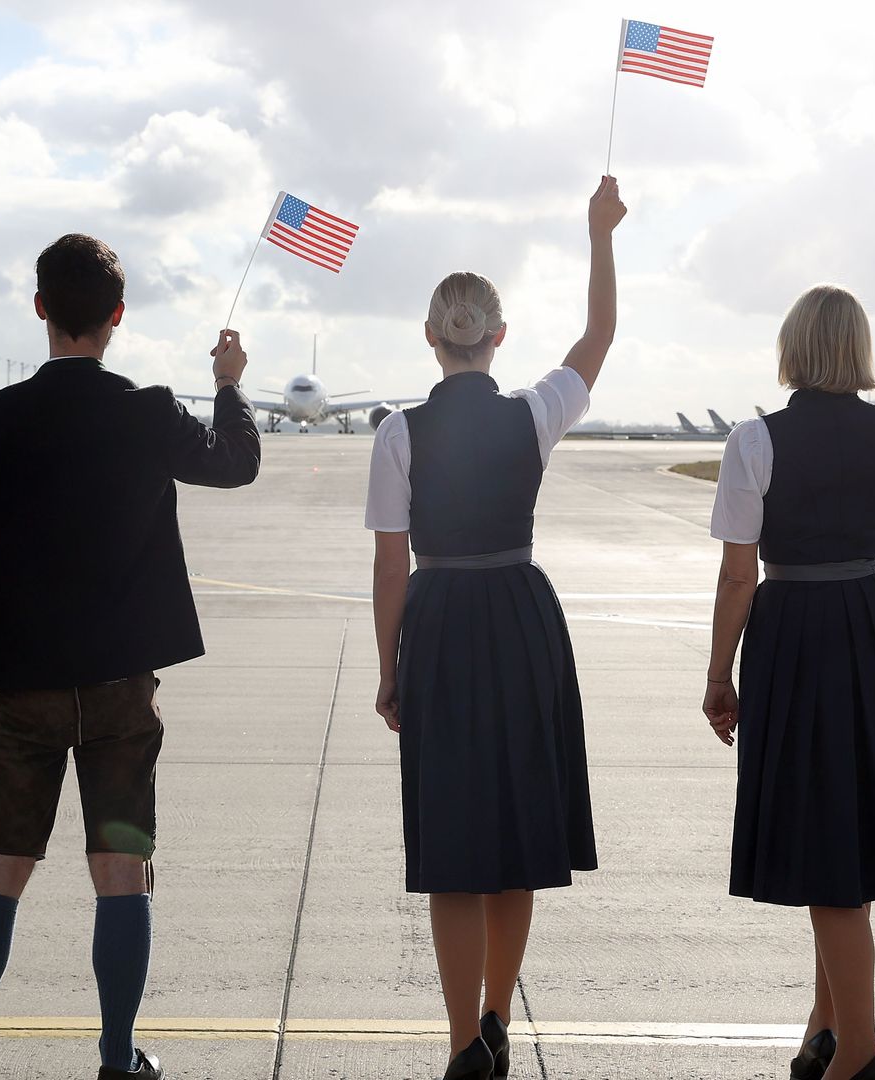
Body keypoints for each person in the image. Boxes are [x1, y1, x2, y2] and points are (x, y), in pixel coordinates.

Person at [0, 233, 262, 1080]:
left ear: (41, 308)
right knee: (122, 870)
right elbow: (235, 465)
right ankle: (117, 1058)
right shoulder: (148, 410)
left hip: (26, 686)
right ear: (117, 316)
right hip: (120, 687)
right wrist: (229, 385)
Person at [366, 176, 625, 1080]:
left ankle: (462, 1042)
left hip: (439, 620)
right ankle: (497, 1014)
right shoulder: (533, 413)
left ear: (432, 337)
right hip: (520, 619)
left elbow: (390, 565)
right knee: (515, 836)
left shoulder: (399, 432)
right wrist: (599, 235)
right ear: (498, 336)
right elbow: (597, 338)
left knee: (452, 845)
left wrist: (390, 668)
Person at [702, 280, 875, 1080]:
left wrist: (718, 672)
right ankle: (827, 1024)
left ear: (792, 348)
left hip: (798, 635)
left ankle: (861, 1054)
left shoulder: (755, 441)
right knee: (843, 837)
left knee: (826, 847)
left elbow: (737, 576)